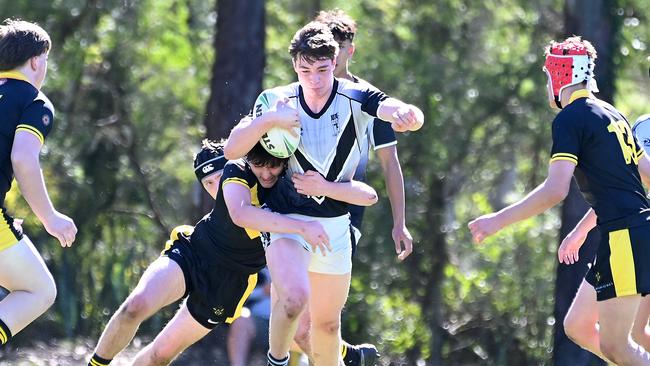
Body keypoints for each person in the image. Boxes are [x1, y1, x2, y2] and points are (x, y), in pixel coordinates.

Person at [224, 22, 423, 366]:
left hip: (334, 224)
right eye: (304, 70)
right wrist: (268, 120)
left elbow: (401, 112)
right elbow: (231, 149)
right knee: (294, 298)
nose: (313, 80)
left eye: (321, 70)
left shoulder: (356, 96)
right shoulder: (278, 99)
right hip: (286, 219)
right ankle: (278, 359)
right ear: (294, 66)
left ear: (335, 63)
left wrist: (408, 115)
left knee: (327, 326)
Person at [469, 36, 650, 365]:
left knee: (617, 346)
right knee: (579, 326)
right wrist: (582, 231)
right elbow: (643, 176)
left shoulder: (570, 119)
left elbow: (555, 190)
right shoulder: (612, 114)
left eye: (547, 76)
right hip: (626, 233)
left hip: (626, 236)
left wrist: (497, 220)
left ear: (559, 74)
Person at [88, 140, 330, 366]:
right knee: (135, 307)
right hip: (193, 253)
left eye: (220, 178)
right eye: (208, 183)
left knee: (161, 354)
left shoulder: (270, 184)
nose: (217, 187)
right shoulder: (236, 201)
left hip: (228, 283)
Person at [0, 19, 77, 349]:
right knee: (40, 290)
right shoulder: (34, 100)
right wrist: (50, 217)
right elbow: (23, 158)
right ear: (36, 60)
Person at [559, 114, 650, 361]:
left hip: (639, 240)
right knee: (579, 326)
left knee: (632, 337)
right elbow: (622, 191)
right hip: (634, 238)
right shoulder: (640, 127)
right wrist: (580, 231)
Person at [227, 267, 272, 366]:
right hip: (257, 321)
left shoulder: (297, 264)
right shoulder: (255, 263)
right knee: (241, 318)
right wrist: (263, 291)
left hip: (287, 322)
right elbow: (234, 294)